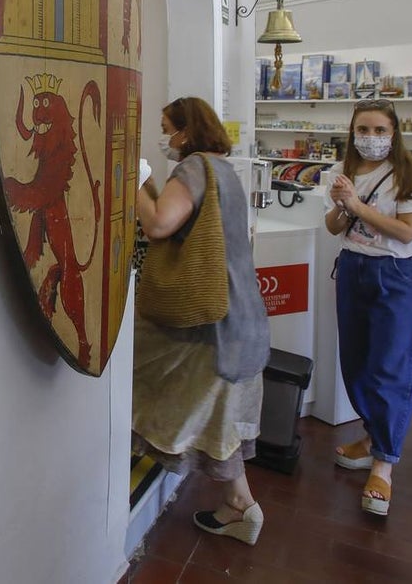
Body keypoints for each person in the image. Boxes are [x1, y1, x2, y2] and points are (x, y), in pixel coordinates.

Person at [132, 96, 271, 545]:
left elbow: (157, 225)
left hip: (212, 322)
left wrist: (133, 179)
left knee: (151, 384)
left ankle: (242, 506)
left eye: (166, 127)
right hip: (241, 316)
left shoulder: (193, 169)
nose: (164, 138)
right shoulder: (225, 170)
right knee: (222, 420)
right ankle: (240, 505)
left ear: (186, 132)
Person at [323, 99, 412, 517]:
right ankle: (371, 435)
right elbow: (334, 227)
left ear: (394, 132)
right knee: (355, 362)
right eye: (363, 130)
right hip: (353, 267)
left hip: (393, 274)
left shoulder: (411, 177)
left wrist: (356, 205)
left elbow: (407, 233)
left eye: (379, 130)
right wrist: (339, 205)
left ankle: (384, 464)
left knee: (392, 364)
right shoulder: (341, 173)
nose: (370, 138)